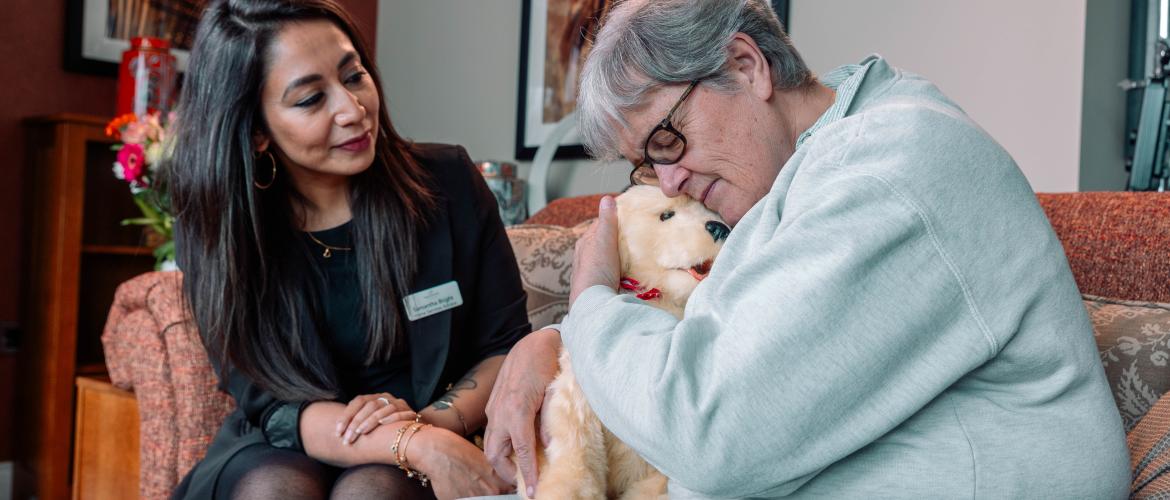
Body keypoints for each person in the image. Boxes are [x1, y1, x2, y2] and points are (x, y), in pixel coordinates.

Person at [484, 0, 1132, 498]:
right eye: (647, 167)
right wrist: (555, 341)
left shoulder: (889, 165)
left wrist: (592, 304)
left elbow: (708, 428)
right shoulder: (805, 179)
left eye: (665, 140)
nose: (671, 181)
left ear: (746, 66)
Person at [167, 0, 526, 498]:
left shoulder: (448, 184)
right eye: (312, 99)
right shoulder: (220, 227)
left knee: (373, 491)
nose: (352, 110)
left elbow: (503, 346)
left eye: (353, 76)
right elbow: (269, 404)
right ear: (255, 133)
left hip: (436, 418)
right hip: (286, 437)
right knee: (275, 490)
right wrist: (412, 443)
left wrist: (419, 432)